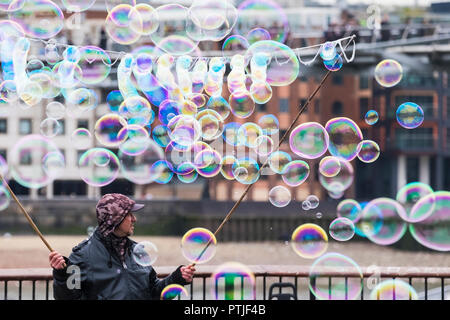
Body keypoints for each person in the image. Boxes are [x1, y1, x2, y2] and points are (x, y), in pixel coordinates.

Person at [49, 193, 195, 300]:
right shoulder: (82, 255)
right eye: (129, 214)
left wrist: (177, 278)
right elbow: (67, 298)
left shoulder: (138, 251)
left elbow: (155, 292)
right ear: (115, 219)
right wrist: (61, 275)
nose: (134, 219)